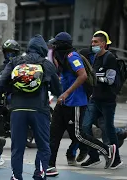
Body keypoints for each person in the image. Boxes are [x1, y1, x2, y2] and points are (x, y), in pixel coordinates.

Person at [0, 34, 62, 180]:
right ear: (44, 49)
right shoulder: (47, 64)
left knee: (17, 147)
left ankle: (16, 176)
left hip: (17, 109)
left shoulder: (16, 61)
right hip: (39, 110)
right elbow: (58, 90)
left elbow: (0, 83)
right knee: (43, 146)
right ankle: (39, 174)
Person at [47, 32, 116, 177]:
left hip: (76, 102)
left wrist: (66, 93)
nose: (53, 47)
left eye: (56, 44)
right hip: (63, 102)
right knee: (54, 133)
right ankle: (49, 165)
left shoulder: (73, 56)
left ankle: (107, 151)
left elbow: (83, 75)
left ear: (62, 45)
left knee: (79, 135)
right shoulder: (61, 57)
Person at [80, 31, 123, 169]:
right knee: (85, 127)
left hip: (107, 101)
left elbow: (110, 80)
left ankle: (116, 159)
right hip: (95, 99)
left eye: (96, 42)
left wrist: (94, 78)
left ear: (103, 44)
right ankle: (94, 156)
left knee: (109, 129)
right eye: (92, 42)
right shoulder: (95, 58)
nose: (93, 44)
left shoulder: (109, 57)